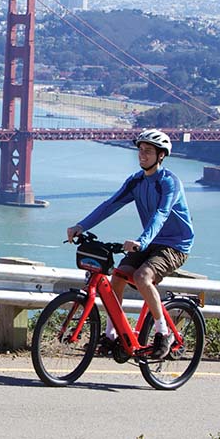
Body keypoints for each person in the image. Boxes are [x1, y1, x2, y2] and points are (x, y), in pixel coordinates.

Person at [66, 129, 194, 359]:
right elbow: (110, 205)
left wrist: (141, 241)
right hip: (149, 241)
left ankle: (163, 333)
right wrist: (81, 226)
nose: (142, 155)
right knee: (117, 275)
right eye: (141, 150)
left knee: (142, 277)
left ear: (161, 155)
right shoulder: (136, 181)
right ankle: (112, 335)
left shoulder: (169, 182)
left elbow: (161, 214)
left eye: (148, 151)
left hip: (175, 244)